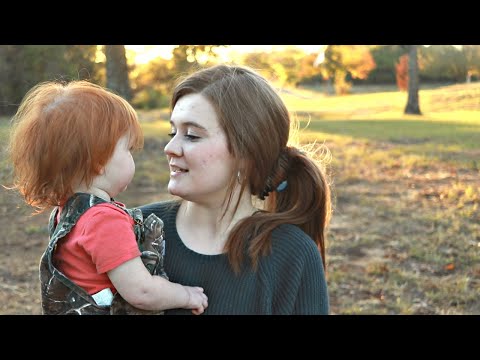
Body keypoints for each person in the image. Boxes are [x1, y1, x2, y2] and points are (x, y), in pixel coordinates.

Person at [140, 64, 332, 315]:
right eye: (173, 131)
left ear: (247, 153)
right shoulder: (132, 229)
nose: (170, 147)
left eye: (192, 135)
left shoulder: (293, 255)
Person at [8, 80, 208, 315]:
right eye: (128, 149)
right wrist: (185, 295)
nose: (132, 157)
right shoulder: (104, 221)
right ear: (100, 161)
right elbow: (141, 292)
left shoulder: (67, 213)